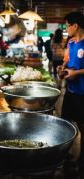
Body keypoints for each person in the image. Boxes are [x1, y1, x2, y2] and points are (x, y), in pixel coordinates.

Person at [57, 11, 84, 171]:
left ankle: (82, 161)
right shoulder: (72, 43)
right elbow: (67, 62)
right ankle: (66, 156)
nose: (66, 29)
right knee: (65, 124)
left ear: (75, 25)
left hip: (82, 93)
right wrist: (63, 69)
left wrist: (77, 73)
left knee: (82, 126)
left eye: (67, 26)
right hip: (70, 91)